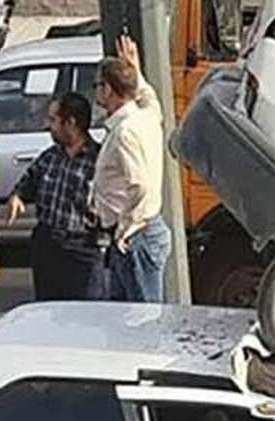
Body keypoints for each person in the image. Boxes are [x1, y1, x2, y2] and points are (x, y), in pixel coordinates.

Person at [91, 35, 170, 302]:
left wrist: (126, 226)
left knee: (142, 322)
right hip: (137, 233)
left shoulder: (126, 131)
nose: (96, 92)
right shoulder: (145, 116)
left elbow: (141, 186)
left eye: (97, 86)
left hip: (137, 236)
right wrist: (136, 71)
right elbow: (150, 99)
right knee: (124, 320)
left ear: (109, 90)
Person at [7, 92, 105, 300]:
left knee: (86, 312)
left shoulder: (99, 161)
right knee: (48, 307)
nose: (48, 125)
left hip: (82, 247)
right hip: (48, 243)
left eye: (53, 120)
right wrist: (17, 197)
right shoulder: (50, 157)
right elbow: (28, 181)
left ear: (70, 123)